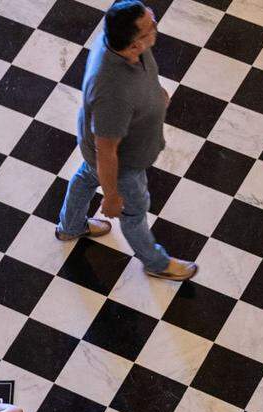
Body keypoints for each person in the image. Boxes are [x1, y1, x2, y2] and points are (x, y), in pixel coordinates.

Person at [56, 1, 197, 281]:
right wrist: (111, 197)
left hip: (105, 143)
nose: (155, 25)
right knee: (134, 213)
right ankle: (156, 263)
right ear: (134, 44)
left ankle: (70, 226)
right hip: (124, 163)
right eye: (150, 26)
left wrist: (155, 96)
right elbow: (106, 151)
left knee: (86, 176)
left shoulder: (119, 44)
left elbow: (143, 77)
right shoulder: (113, 91)